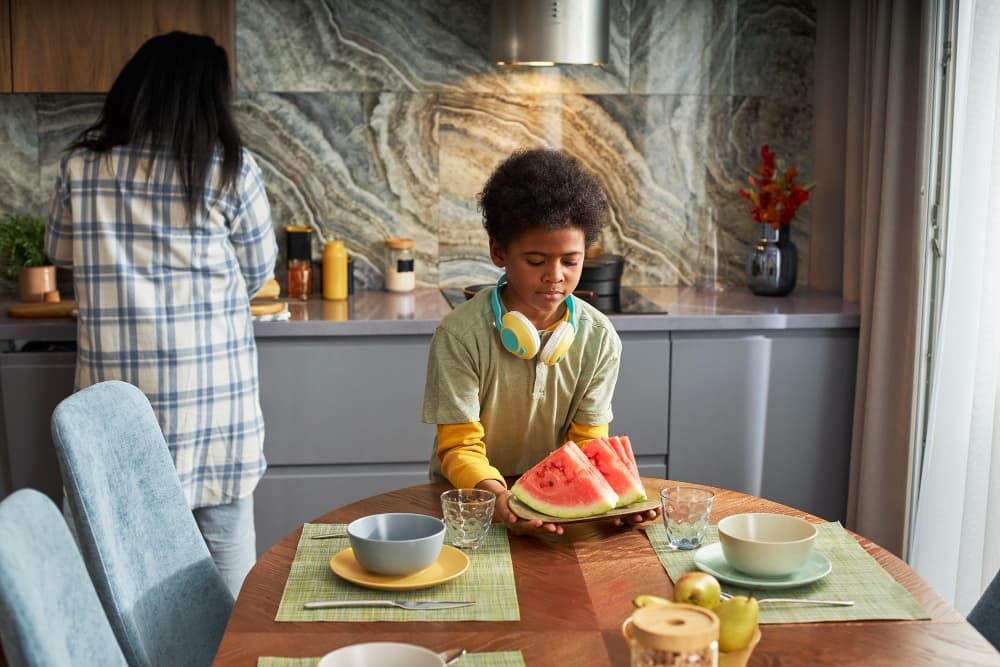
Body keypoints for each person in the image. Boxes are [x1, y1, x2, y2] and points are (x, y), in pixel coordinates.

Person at [45, 31, 277, 596]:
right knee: (226, 577)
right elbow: (258, 269)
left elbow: (59, 254)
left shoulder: (81, 168)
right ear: (208, 99)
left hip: (118, 416)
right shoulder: (230, 170)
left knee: (121, 583)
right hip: (213, 413)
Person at [423, 147, 656, 535]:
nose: (555, 276)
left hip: (558, 519)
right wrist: (497, 498)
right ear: (499, 251)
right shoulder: (459, 335)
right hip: (470, 503)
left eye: (570, 260)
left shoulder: (599, 339)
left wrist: (610, 499)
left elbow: (586, 444)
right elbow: (459, 446)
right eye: (535, 261)